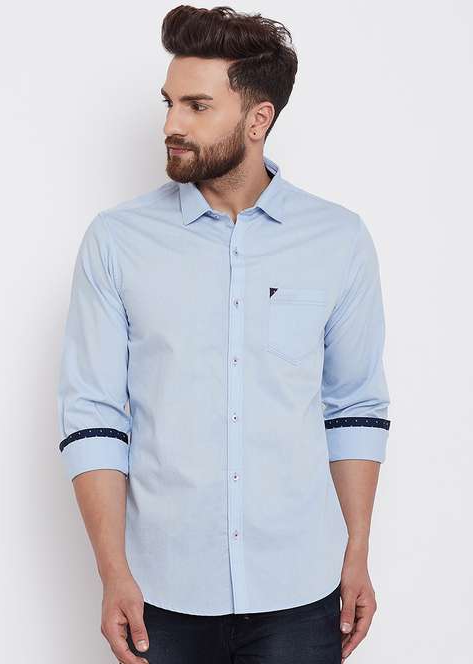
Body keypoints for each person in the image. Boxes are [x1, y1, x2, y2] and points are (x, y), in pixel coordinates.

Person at [57, 5, 391, 663]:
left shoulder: (338, 239)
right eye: (169, 103)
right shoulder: (117, 241)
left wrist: (355, 553)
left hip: (302, 589)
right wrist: (113, 572)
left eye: (197, 106)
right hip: (161, 592)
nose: (171, 125)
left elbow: (353, 404)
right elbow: (92, 412)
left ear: (258, 119)